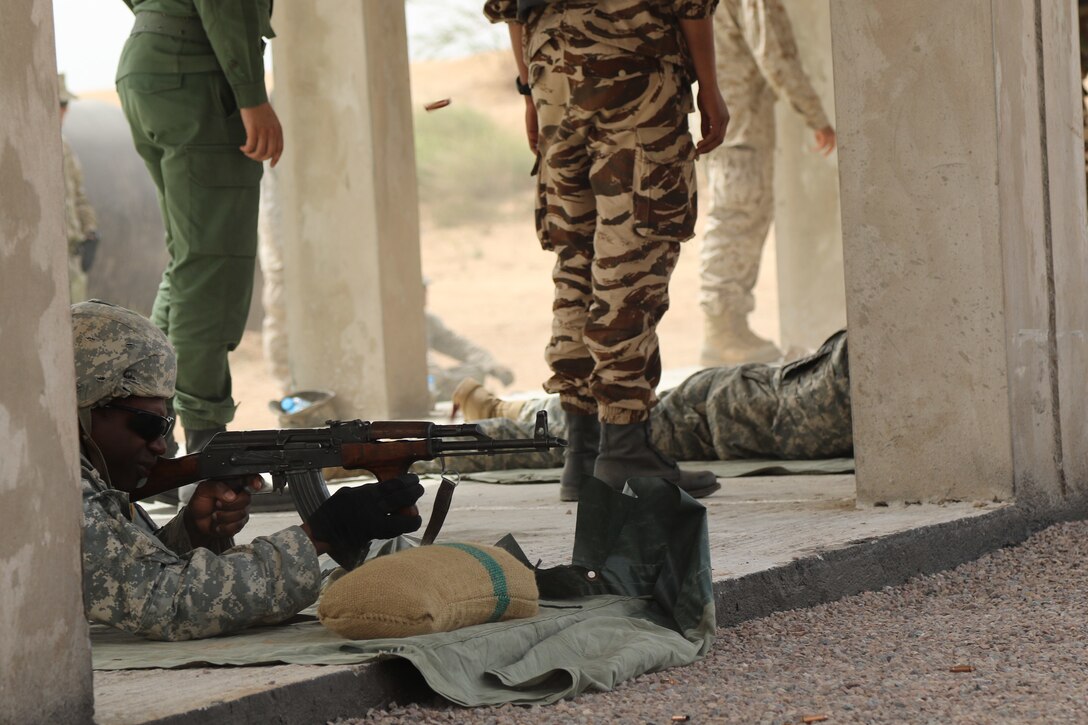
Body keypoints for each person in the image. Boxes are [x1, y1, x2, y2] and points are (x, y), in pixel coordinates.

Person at [484, 0, 728, 503]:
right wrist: (710, 88)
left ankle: (582, 452)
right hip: (633, 72)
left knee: (577, 261)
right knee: (629, 261)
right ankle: (623, 447)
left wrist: (531, 91)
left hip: (552, 75)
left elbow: (509, 7)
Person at [74, 301, 424, 641]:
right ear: (82, 410)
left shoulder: (83, 473)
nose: (161, 446)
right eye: (148, 426)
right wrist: (320, 534)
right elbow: (166, 602)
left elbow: (128, 567)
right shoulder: (58, 490)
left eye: (166, 427)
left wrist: (194, 531)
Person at [115, 1, 283, 455]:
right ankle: (207, 452)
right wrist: (251, 95)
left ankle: (150, 443)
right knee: (212, 266)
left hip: (152, 66)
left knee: (190, 263)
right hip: (197, 74)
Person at [448, 329, 851, 490]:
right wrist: (406, 460)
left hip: (735, 402)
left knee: (602, 422)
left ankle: (500, 406)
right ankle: (443, 447)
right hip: (723, 413)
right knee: (588, 439)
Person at [698, 0, 836, 366]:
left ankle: (728, 326)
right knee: (737, 217)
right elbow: (773, 54)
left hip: (732, 121)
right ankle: (722, 331)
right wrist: (817, 117)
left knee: (740, 215)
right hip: (739, 125)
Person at [59, 74, 100, 303]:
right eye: (60, 104)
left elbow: (78, 196)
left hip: (72, 257)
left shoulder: (65, 147)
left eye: (66, 105)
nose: (65, 111)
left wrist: (91, 230)